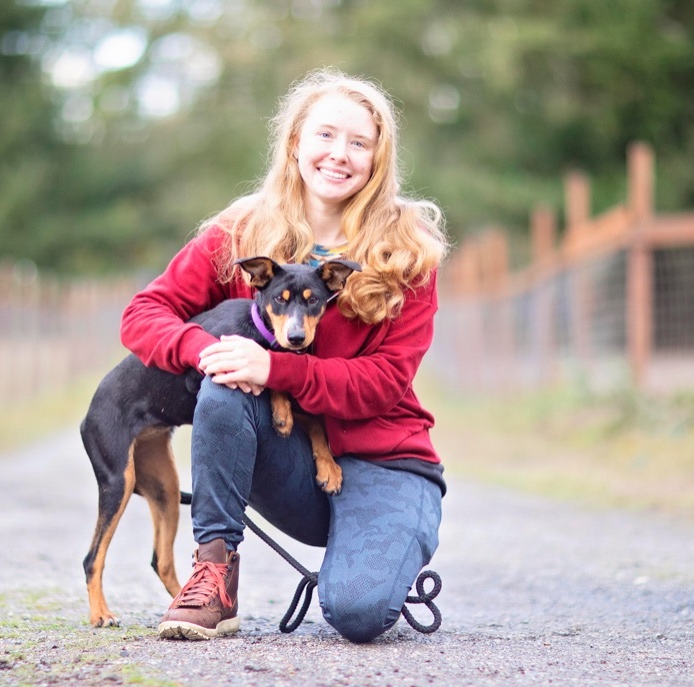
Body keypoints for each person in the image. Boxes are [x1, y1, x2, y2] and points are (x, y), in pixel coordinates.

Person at [118, 68, 449, 643]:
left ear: (378, 158)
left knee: (357, 612)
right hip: (294, 462)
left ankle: (378, 553)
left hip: (386, 463)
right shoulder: (242, 232)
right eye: (325, 135)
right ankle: (216, 571)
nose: (339, 155)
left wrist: (277, 367)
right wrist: (205, 351)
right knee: (228, 374)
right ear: (296, 143)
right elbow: (143, 315)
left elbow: (385, 382)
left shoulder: (408, 250)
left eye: (358, 143)